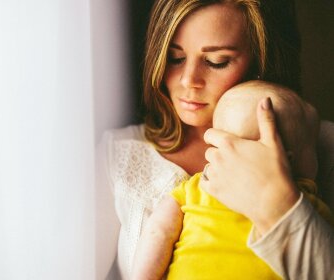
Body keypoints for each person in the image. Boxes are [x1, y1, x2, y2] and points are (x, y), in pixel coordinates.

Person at [95, 1, 334, 279]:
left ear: (259, 60)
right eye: (175, 57)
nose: (189, 80)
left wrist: (280, 204)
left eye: (215, 62)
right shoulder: (120, 155)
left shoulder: (322, 146)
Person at [130, 80, 334, 280]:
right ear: (287, 159)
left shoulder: (196, 188)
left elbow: (158, 232)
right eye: (313, 148)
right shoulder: (307, 207)